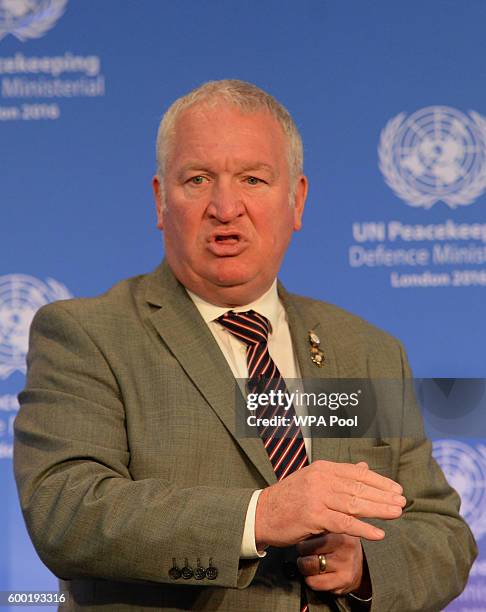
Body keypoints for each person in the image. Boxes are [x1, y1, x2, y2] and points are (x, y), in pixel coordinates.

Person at [14, 79, 476, 612]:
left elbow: (442, 533)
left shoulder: (367, 351)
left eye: (253, 179)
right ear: (161, 200)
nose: (225, 206)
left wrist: (365, 566)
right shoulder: (88, 335)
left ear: (296, 201)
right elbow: (65, 510)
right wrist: (260, 515)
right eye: (198, 179)